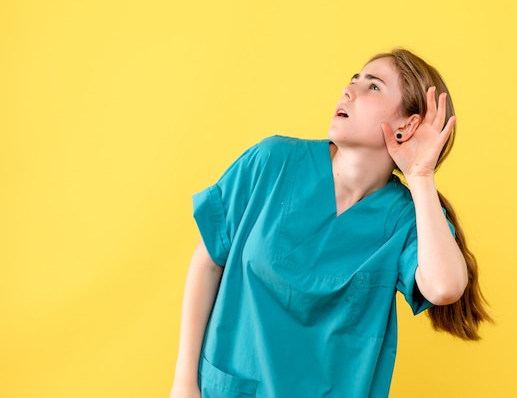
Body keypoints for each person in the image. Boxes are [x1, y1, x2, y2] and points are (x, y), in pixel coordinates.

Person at [169, 48, 491, 398]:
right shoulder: (272, 162)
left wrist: (422, 176)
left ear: (407, 125)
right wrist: (185, 383)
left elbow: (444, 287)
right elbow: (208, 263)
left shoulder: (407, 218)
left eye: (373, 87)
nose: (348, 91)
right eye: (353, 80)